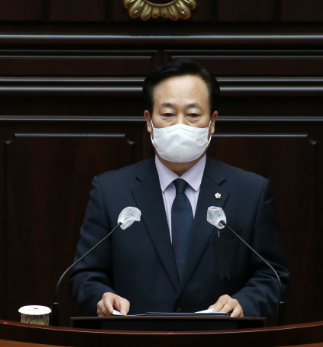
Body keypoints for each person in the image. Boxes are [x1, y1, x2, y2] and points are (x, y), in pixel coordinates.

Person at [70, 59, 288, 318]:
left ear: (213, 122)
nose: (180, 126)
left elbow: (272, 276)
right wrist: (101, 298)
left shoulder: (251, 191)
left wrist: (244, 303)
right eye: (168, 115)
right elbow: (85, 274)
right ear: (149, 121)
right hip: (134, 345)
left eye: (193, 115)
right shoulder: (110, 190)